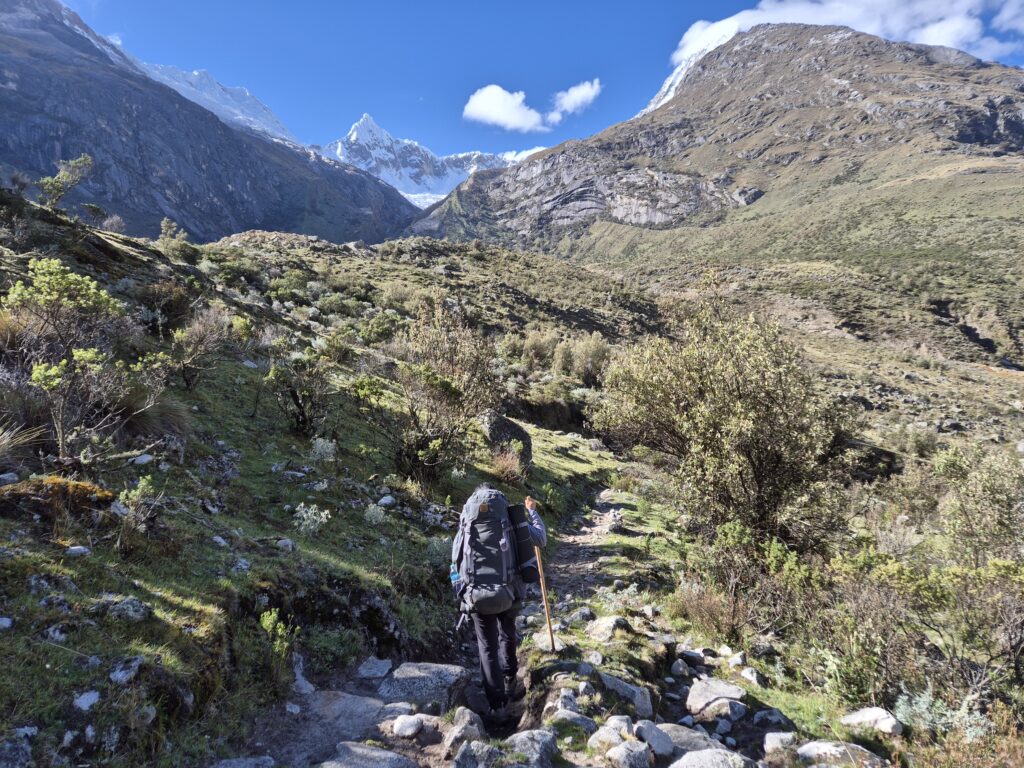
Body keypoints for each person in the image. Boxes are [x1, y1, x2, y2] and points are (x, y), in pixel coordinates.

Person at [452, 486, 546, 719]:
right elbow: (540, 538)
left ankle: (496, 704)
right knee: (507, 633)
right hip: (509, 591)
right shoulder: (511, 519)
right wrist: (532, 511)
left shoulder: (468, 520)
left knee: (487, 646)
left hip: (476, 593)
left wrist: (461, 590)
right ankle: (510, 681)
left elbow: (456, 558)